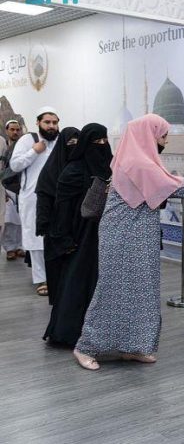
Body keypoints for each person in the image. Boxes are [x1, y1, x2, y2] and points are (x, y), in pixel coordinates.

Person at [73, 114, 184, 371]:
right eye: (163, 135)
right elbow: (174, 188)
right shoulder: (137, 162)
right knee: (112, 290)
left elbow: (165, 186)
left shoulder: (141, 160)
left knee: (142, 290)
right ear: (148, 134)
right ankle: (85, 347)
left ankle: (133, 346)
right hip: (122, 234)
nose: (165, 141)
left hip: (140, 233)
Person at [43, 123, 111, 347]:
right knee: (76, 281)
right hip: (80, 237)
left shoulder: (110, 168)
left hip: (104, 235)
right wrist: (63, 239)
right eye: (97, 142)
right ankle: (70, 333)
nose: (102, 145)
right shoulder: (73, 171)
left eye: (105, 140)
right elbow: (61, 209)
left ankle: (102, 334)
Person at [9, 107, 60, 295]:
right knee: (35, 238)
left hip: (57, 197)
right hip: (32, 198)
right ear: (38, 122)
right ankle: (41, 279)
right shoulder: (27, 140)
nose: (51, 126)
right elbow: (15, 165)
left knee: (56, 236)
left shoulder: (60, 141)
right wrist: (34, 151)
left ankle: (56, 277)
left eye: (54, 122)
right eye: (47, 122)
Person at [35, 127, 80, 303]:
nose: (73, 146)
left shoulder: (82, 169)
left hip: (78, 230)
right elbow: (43, 202)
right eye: (70, 143)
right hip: (55, 232)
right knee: (58, 275)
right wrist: (48, 228)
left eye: (77, 143)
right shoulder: (49, 172)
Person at [2, 120, 24, 261]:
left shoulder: (24, 147)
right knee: (8, 220)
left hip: (21, 187)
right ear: (7, 130)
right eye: (12, 129)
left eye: (17, 130)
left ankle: (21, 246)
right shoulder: (3, 147)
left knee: (22, 219)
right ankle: (10, 248)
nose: (15, 132)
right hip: (6, 187)